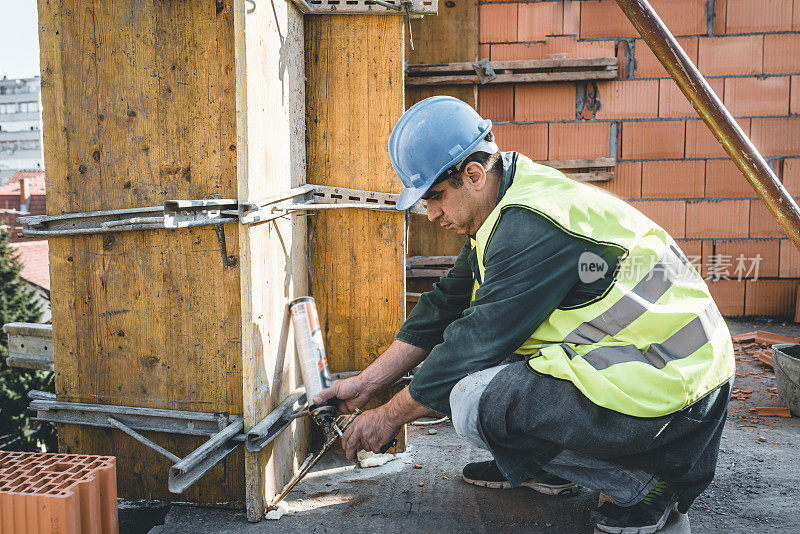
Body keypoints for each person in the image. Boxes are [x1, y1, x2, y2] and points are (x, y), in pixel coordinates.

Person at [312, 96, 734, 534]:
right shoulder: (507, 198)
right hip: (658, 371)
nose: (431, 213)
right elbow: (443, 308)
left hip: (677, 397)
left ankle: (643, 482)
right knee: (483, 373)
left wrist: (388, 416)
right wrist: (367, 384)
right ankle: (554, 467)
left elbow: (471, 345)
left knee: (470, 398)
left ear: (473, 175)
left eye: (435, 197)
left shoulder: (530, 226)